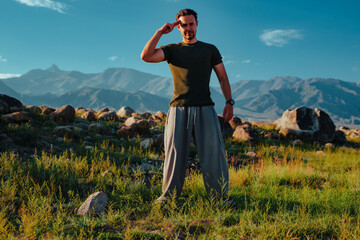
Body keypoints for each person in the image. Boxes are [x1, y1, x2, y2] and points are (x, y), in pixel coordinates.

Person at [141, 9, 235, 203]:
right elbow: (146, 56)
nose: (188, 28)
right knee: (174, 154)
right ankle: (169, 198)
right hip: (178, 108)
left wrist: (229, 102)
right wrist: (160, 32)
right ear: (178, 27)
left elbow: (222, 77)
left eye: (191, 24)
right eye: (183, 24)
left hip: (206, 108)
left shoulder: (210, 49)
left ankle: (219, 198)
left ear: (197, 24)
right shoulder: (172, 50)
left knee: (213, 154)